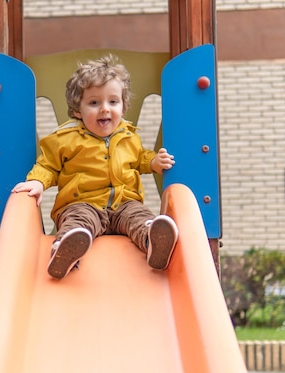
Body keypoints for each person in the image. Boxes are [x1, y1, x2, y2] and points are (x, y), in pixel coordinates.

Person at [12, 54, 179, 279]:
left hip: (124, 204)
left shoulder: (129, 136)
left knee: (138, 216)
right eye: (94, 102)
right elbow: (48, 166)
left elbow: (139, 158)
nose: (104, 109)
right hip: (82, 203)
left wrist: (153, 162)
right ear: (77, 110)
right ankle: (65, 250)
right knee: (79, 222)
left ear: (123, 106)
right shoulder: (65, 139)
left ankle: (152, 240)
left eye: (113, 101)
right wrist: (37, 182)